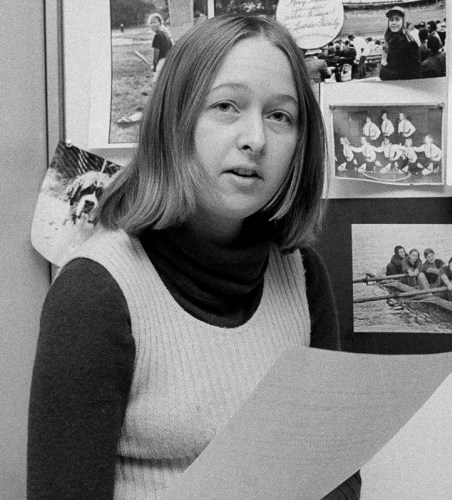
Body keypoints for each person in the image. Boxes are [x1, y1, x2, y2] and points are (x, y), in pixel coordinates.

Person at [27, 15, 360, 499]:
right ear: (175, 121)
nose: (256, 140)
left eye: (280, 116)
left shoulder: (305, 275)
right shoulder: (94, 293)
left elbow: (336, 473)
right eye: (226, 106)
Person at [379, 6, 422, 80]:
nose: (394, 23)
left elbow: (414, 74)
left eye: (397, 19)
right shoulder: (391, 40)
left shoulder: (409, 43)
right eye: (391, 20)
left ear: (403, 21)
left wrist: (384, 73)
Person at [148, 13, 173, 80]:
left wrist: (155, 66)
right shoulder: (165, 33)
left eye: (154, 22)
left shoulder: (157, 36)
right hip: (170, 61)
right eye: (151, 23)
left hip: (162, 62)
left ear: (160, 23)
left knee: (156, 83)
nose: (152, 25)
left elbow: (156, 55)